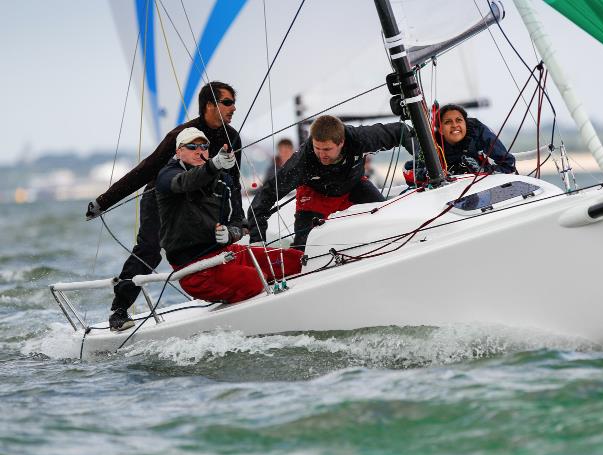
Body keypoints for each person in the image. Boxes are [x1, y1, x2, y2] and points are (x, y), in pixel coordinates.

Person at [85, 81, 242, 331]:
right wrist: (104, 201)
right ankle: (119, 310)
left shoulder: (232, 136)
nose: (233, 108)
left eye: (234, 103)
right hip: (162, 196)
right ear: (209, 106)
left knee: (219, 239)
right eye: (227, 103)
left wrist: (239, 226)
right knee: (149, 250)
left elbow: (232, 182)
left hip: (202, 198)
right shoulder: (181, 135)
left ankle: (232, 290)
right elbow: (145, 169)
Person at [156, 128, 303, 303]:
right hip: (195, 269)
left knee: (295, 261)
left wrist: (230, 234)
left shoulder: (223, 180)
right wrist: (214, 165)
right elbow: (187, 182)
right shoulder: (167, 176)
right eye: (191, 146)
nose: (199, 150)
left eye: (203, 146)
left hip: (226, 254)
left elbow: (239, 223)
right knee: (256, 279)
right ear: (179, 152)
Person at [248, 115, 413, 250]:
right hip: (315, 197)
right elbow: (265, 197)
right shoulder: (303, 160)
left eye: (327, 149)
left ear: (341, 142)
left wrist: (423, 166)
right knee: (304, 252)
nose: (321, 155)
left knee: (386, 221)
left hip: (353, 187)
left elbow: (402, 131)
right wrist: (257, 242)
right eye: (317, 148)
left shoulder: (358, 138)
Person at [404, 104, 516, 184]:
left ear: (466, 124)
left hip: (483, 186)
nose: (454, 125)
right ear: (441, 129)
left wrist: (482, 171)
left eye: (459, 120)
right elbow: (408, 170)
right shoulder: (433, 143)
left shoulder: (477, 131)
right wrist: (428, 174)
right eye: (448, 122)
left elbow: (508, 165)